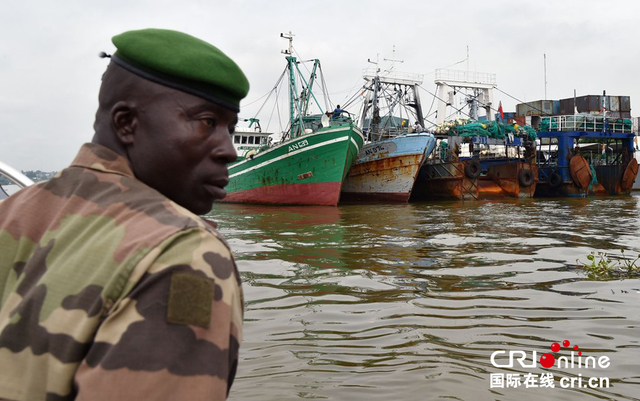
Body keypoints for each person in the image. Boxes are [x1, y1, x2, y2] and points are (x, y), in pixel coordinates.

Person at [0, 28, 248, 400]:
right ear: (126, 123)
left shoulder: (11, 211)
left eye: (232, 128)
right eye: (207, 122)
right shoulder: (183, 254)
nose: (230, 150)